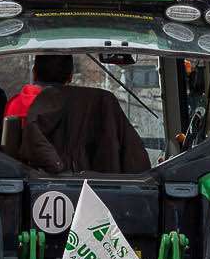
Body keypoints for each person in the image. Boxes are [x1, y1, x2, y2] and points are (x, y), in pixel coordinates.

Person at [15, 53, 151, 174]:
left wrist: (60, 171)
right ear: (70, 76)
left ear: (34, 73)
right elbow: (137, 163)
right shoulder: (103, 103)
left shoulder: (16, 105)